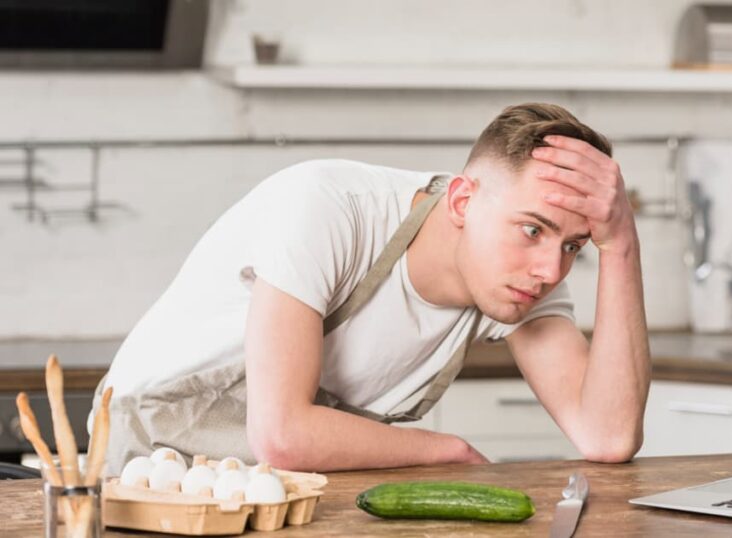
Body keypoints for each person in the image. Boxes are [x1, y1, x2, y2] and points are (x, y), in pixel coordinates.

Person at [93, 102, 651, 474]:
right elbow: (282, 434)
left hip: (282, 489)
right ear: (462, 201)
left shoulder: (525, 275)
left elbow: (607, 437)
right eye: (533, 230)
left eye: (575, 246)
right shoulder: (329, 206)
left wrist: (620, 243)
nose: (551, 269)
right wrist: (448, 451)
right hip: (148, 462)